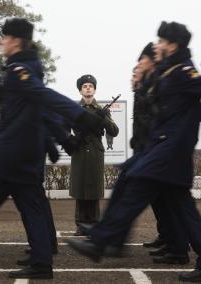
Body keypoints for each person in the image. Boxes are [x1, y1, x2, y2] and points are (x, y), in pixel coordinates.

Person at [67, 21, 201, 282]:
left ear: (172, 45)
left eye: (162, 41)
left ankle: (106, 239)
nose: (158, 46)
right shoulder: (169, 72)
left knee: (136, 184)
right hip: (163, 151)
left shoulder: (184, 73)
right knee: (184, 211)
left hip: (170, 152)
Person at [0, 18, 103, 280]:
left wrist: (80, 117)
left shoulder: (20, 70)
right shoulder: (26, 68)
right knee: (32, 205)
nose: (0, 41)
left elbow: (43, 96)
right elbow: (40, 109)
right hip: (27, 151)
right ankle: (41, 262)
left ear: (15, 40)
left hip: (12, 146)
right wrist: (61, 140)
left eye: (4, 37)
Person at [70, 74, 119, 236]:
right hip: (80, 150)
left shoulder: (101, 110)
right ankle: (81, 223)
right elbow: (66, 128)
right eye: (85, 86)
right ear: (80, 90)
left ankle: (94, 222)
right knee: (80, 186)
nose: (88, 88)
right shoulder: (75, 109)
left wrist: (104, 119)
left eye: (91, 85)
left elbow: (114, 131)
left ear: (95, 89)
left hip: (95, 150)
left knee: (93, 187)